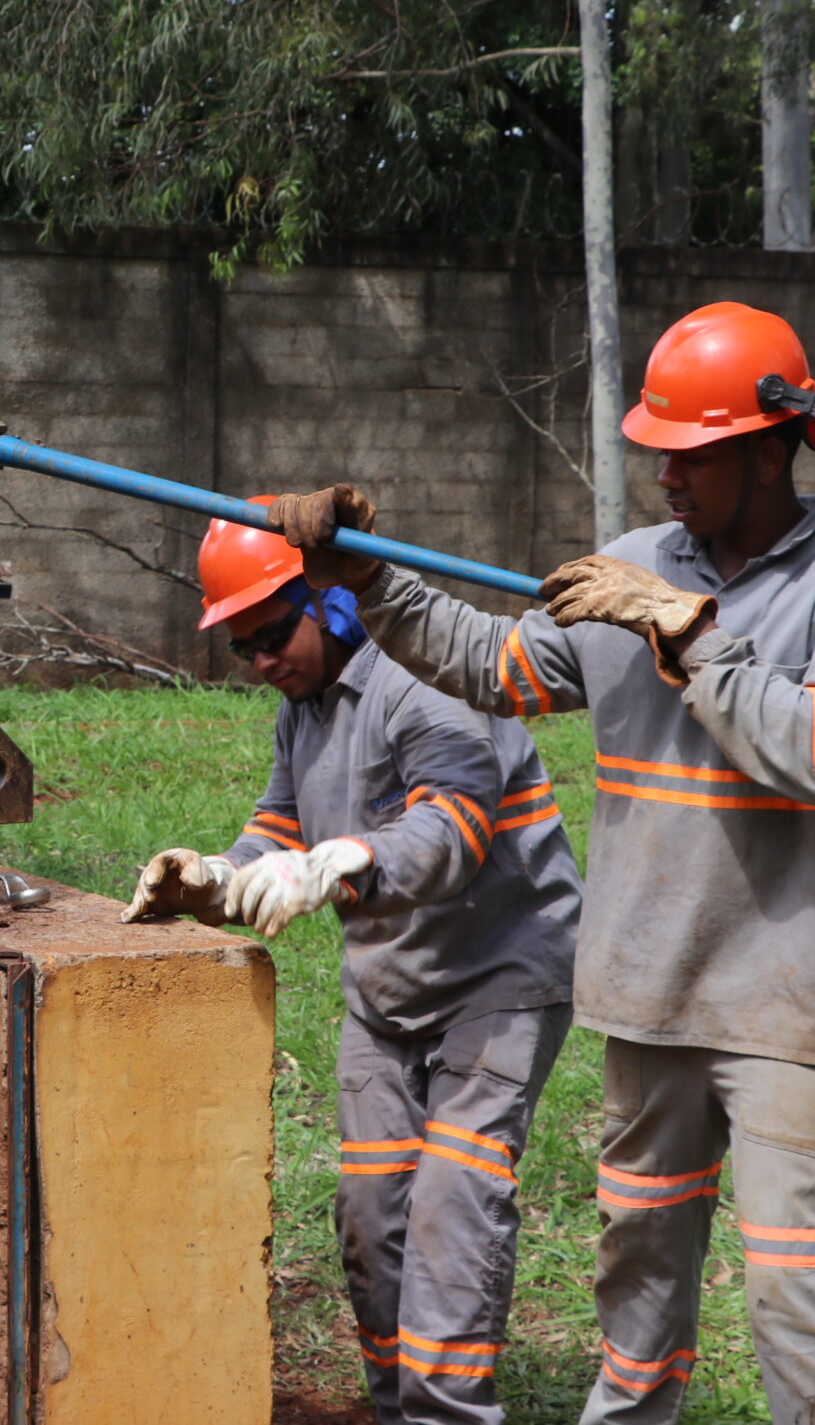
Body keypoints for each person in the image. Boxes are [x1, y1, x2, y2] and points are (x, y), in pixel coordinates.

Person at [270, 302, 815, 1425]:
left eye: (690, 453)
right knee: (638, 1279)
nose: (664, 474)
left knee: (795, 1284)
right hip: (649, 994)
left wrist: (689, 633)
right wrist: (365, 576)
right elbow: (494, 664)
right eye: (655, 450)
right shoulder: (628, 566)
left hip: (790, 1003)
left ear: (771, 451)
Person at [123, 508, 581, 1425]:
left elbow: (450, 831)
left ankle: (447, 1414)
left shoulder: (431, 683)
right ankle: (394, 1409)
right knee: (373, 1218)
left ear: (331, 604)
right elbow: (279, 828)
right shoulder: (307, 707)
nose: (259, 661)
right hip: (388, 992)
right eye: (241, 646)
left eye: (269, 634)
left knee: (453, 1213)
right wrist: (213, 876)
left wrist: (353, 859)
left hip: (498, 981)